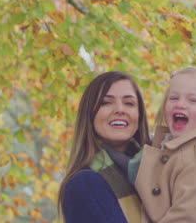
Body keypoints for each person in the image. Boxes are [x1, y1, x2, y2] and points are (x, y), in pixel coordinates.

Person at [107, 66, 196, 222]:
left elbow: (183, 217)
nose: (181, 104)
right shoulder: (166, 145)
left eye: (193, 100)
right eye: (174, 98)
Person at [58, 71, 150, 222]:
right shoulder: (84, 184)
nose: (120, 109)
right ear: (90, 115)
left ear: (139, 116)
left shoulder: (156, 174)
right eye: (106, 102)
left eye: (129, 103)